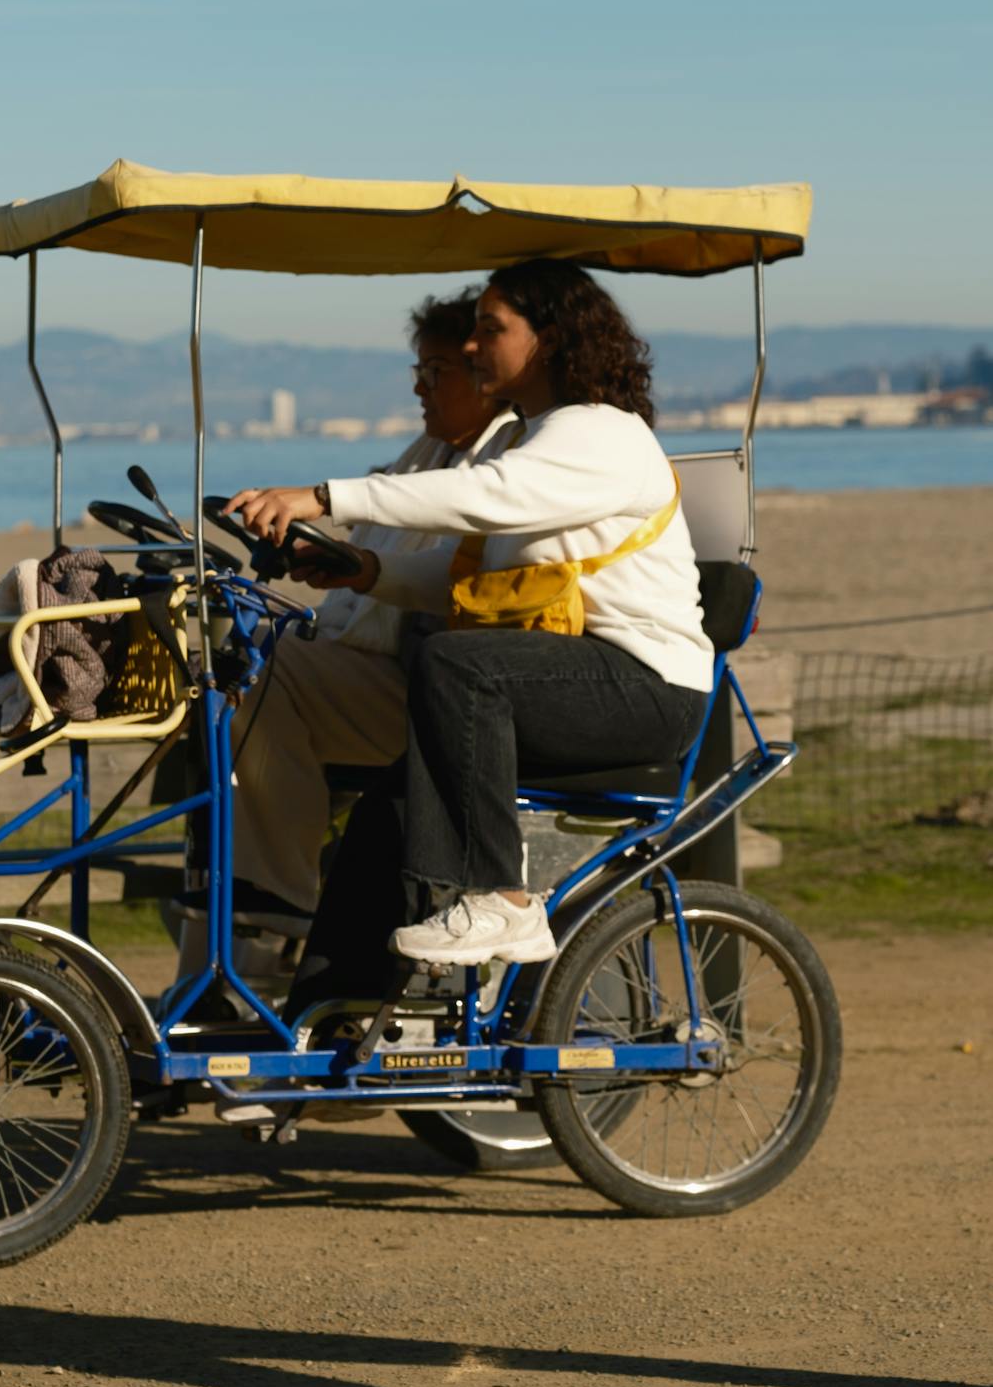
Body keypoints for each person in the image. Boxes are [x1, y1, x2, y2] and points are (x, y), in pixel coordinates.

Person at [228, 257, 714, 1012]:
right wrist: (363, 569)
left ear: (550, 340)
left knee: (459, 663)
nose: (470, 348)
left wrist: (323, 497)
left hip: (646, 690)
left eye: (491, 330)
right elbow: (473, 577)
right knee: (380, 823)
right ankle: (324, 1031)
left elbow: (489, 498)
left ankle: (503, 902)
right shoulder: (534, 435)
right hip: (561, 677)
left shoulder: (600, 434)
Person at [179, 288, 500, 952]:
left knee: (257, 666)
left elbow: (437, 570)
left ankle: (272, 894)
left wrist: (346, 549)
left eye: (435, 373)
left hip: (440, 693)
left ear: (485, 376)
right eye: (418, 372)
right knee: (232, 659)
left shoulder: (494, 463)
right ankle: (232, 895)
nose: (421, 387)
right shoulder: (432, 451)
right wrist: (330, 556)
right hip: (389, 675)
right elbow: (380, 553)